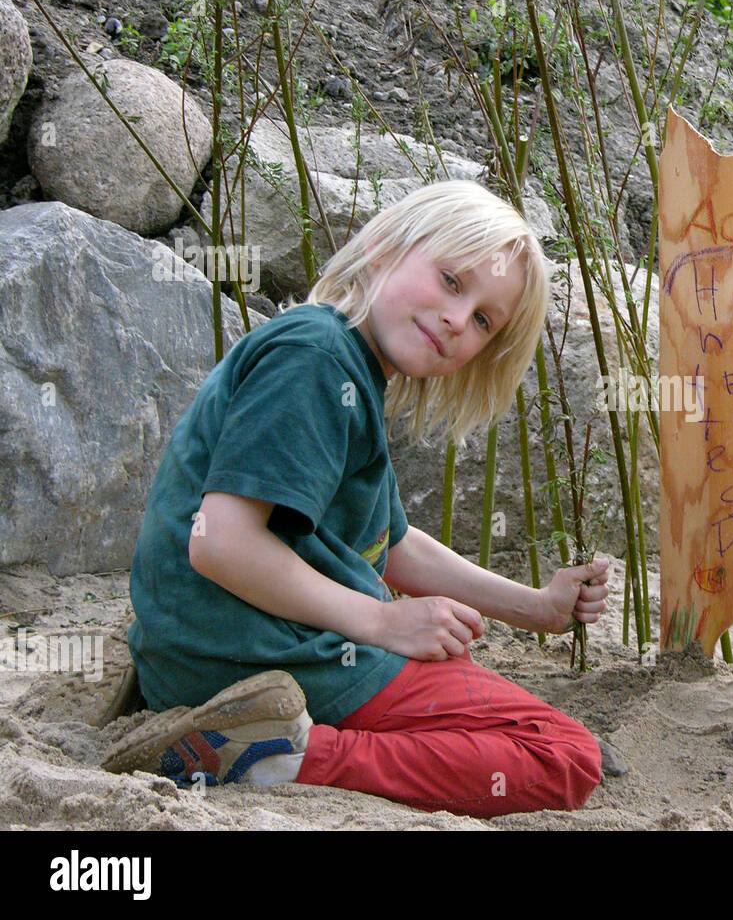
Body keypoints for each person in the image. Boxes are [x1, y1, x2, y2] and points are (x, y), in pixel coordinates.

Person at [103, 180, 610, 818]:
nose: (458, 318)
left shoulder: (342, 365)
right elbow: (219, 543)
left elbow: (389, 545)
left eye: (483, 319)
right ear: (379, 248)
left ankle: (262, 734)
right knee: (560, 752)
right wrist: (381, 622)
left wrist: (538, 608)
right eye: (452, 281)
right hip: (261, 657)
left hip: (217, 651)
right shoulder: (314, 360)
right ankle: (280, 756)